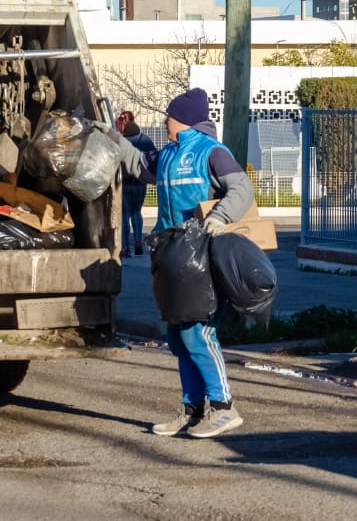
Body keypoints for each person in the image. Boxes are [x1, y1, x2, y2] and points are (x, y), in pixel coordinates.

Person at [104, 87, 254, 439]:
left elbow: (242, 188)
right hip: (171, 255)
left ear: (181, 118)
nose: (164, 121)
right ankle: (192, 409)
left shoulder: (212, 152)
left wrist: (220, 216)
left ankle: (223, 407)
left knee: (197, 332)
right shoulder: (170, 153)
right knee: (176, 335)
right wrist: (111, 135)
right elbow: (139, 166)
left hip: (201, 255)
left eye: (168, 115)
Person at [119, 120, 155, 258]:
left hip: (125, 184)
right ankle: (139, 242)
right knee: (136, 212)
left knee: (124, 215)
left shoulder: (122, 142)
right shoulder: (145, 139)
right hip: (140, 183)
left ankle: (126, 247)